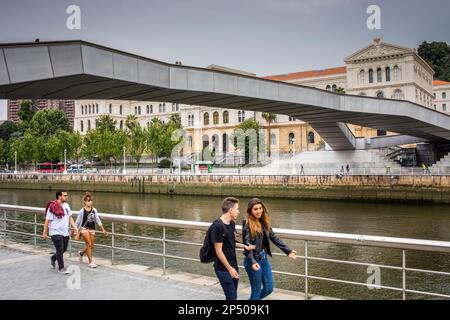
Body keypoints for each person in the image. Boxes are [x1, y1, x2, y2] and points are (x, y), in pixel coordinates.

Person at [243, 198, 297, 300]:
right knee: (256, 291)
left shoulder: (263, 221)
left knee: (269, 288)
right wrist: (253, 261)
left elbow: (273, 237)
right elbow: (247, 244)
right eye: (255, 209)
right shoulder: (247, 224)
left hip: (263, 258)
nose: (259, 211)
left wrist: (288, 251)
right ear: (250, 210)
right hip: (253, 261)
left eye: (260, 208)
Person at [211, 197, 254, 300]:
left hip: (233, 265)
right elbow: (218, 250)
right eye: (237, 209)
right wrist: (229, 269)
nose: (238, 212)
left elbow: (231, 243)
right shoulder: (217, 226)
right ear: (231, 210)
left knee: (232, 296)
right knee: (232, 297)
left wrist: (245, 246)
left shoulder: (232, 224)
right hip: (223, 268)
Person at [43, 190, 77, 274]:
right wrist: (44, 232)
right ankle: (61, 268)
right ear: (59, 196)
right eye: (65, 195)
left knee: (63, 249)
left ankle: (53, 258)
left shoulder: (67, 206)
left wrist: (75, 227)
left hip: (65, 232)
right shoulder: (53, 206)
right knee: (60, 249)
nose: (66, 197)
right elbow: (47, 220)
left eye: (66, 195)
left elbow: (70, 217)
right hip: (55, 232)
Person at [75, 192, 108, 268]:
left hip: (92, 229)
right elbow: (77, 222)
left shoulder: (94, 210)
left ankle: (81, 253)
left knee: (91, 246)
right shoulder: (82, 211)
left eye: (90, 200)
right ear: (85, 202)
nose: (89, 202)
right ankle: (90, 262)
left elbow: (97, 220)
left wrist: (103, 229)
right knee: (89, 244)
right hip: (84, 229)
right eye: (88, 200)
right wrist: (74, 231)